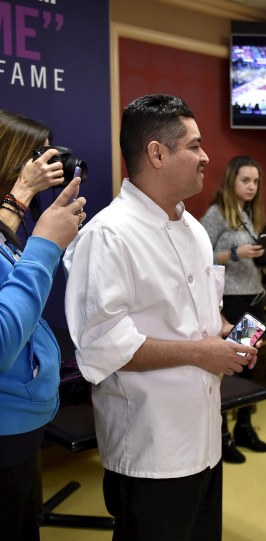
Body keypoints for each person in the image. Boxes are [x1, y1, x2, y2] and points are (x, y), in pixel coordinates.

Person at [64, 94, 258, 541]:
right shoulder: (109, 235)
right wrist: (201, 352)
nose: (206, 157)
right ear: (156, 153)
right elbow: (103, 345)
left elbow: (197, 313)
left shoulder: (192, 229)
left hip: (204, 437)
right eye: (195, 145)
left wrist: (229, 334)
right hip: (151, 448)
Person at [0, 111, 86, 541]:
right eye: (35, 160)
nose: (47, 168)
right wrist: (45, 246)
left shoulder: (8, 234)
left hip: (21, 422)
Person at [200, 156, 266, 463]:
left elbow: (256, 261)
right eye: (245, 180)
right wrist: (234, 252)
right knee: (228, 368)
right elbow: (199, 256)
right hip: (231, 303)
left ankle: (245, 427)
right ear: (231, 181)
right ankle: (222, 435)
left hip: (254, 298)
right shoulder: (217, 213)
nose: (251, 187)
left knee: (249, 366)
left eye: (255, 181)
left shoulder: (251, 215)